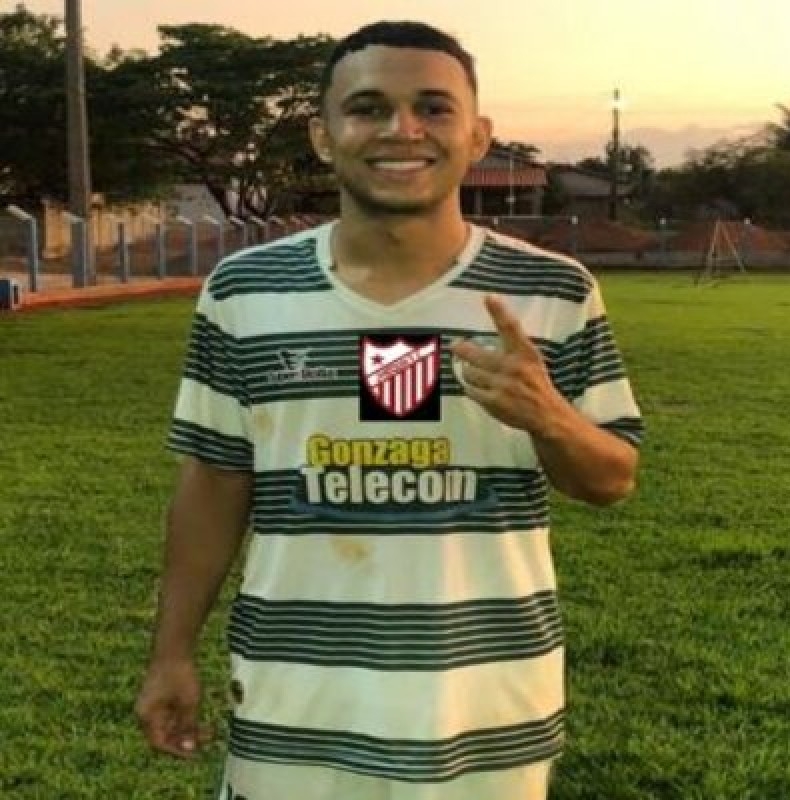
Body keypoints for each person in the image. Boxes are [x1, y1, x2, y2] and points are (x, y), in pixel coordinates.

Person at [135, 20, 643, 800]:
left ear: (478, 136)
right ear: (323, 135)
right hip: (294, 705)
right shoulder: (245, 292)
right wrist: (171, 653)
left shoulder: (554, 291)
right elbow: (213, 481)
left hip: (486, 708)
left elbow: (612, 478)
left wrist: (550, 417)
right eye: (368, 107)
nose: (402, 130)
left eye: (433, 108)